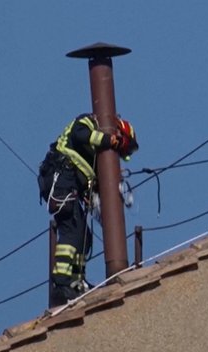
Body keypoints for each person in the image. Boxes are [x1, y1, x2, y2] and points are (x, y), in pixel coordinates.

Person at [38, 113, 138, 306]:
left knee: (84, 236)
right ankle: (61, 284)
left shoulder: (93, 155)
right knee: (72, 232)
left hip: (68, 185)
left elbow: (88, 173)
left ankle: (76, 282)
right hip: (62, 181)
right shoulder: (87, 122)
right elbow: (80, 135)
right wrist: (109, 140)